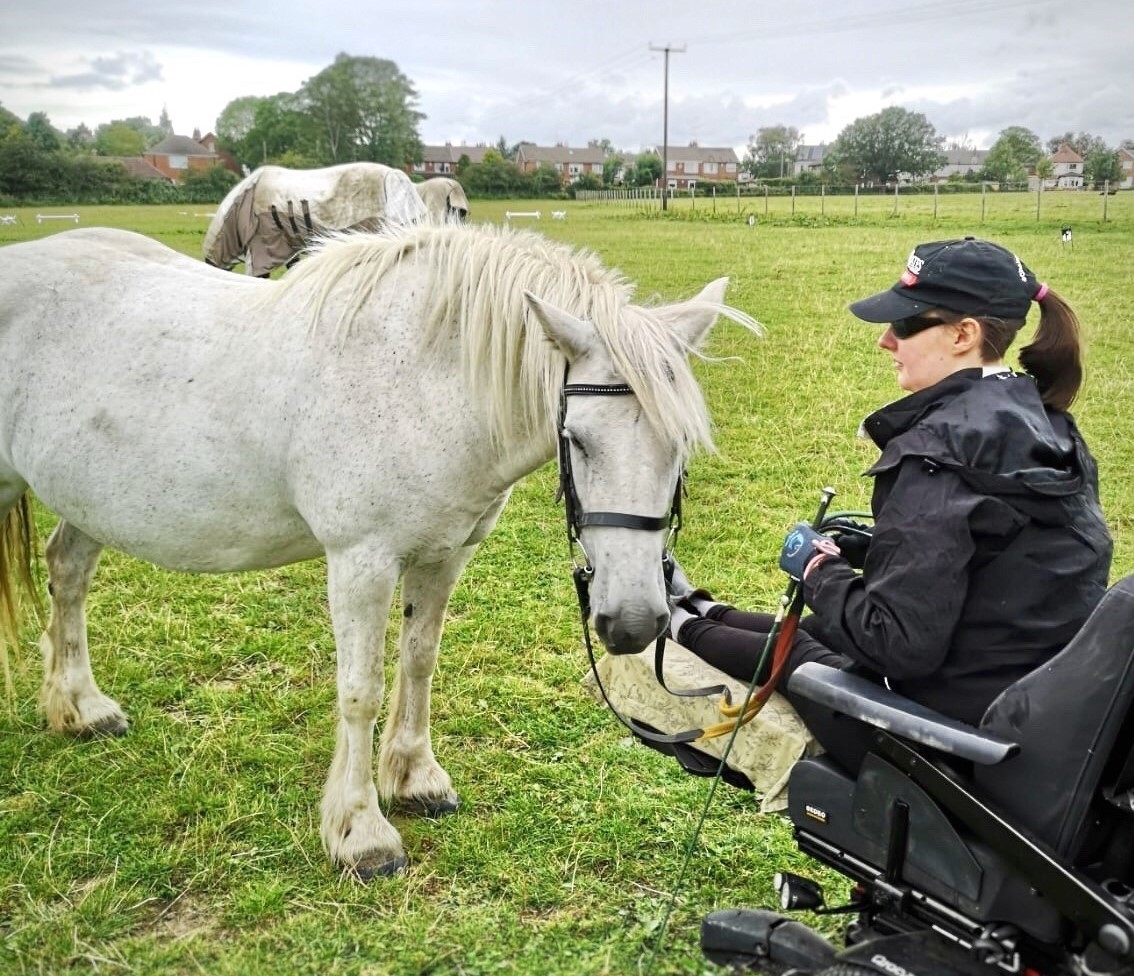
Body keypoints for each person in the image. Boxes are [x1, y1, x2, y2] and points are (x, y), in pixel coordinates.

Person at [666, 237, 1113, 774]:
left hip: (948, 739)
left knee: (808, 656)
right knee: (822, 630)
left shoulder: (939, 453)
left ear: (963, 334)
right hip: (1026, 704)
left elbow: (896, 644)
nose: (885, 340)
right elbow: (996, 558)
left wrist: (817, 570)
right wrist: (869, 548)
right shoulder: (1050, 424)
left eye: (904, 324)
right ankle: (703, 608)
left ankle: (676, 626)